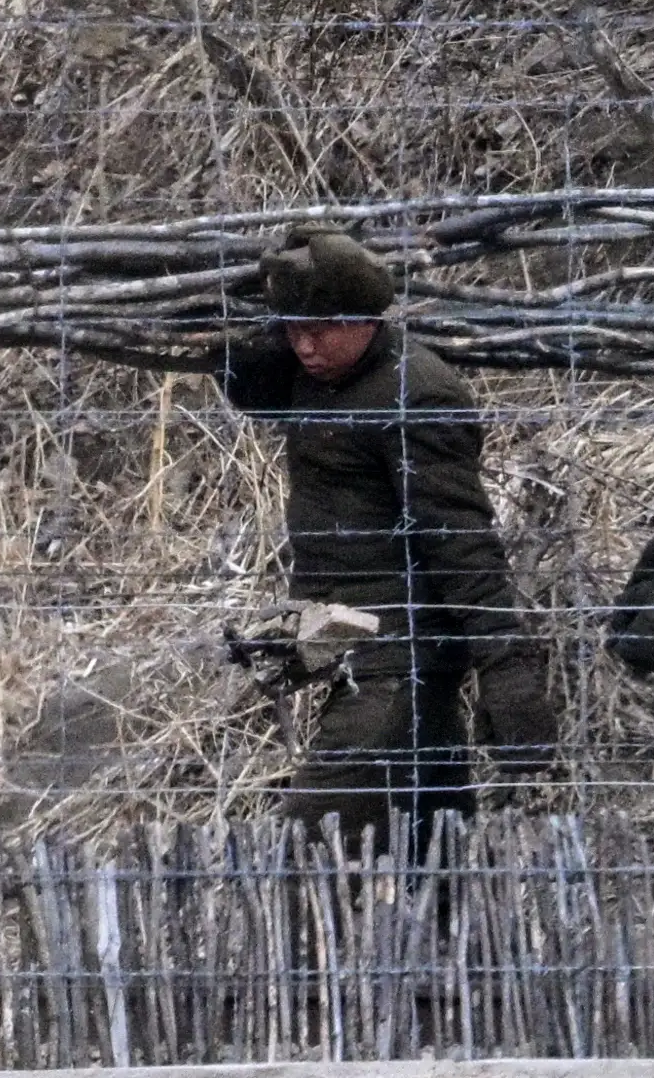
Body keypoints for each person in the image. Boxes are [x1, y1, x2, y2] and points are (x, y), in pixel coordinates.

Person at [220, 225, 558, 849]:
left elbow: (461, 542)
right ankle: (450, 941)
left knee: (313, 842)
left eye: (318, 328)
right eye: (292, 329)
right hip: (348, 640)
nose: (304, 345)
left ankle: (321, 946)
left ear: (366, 318)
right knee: (433, 842)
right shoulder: (313, 375)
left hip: (400, 656)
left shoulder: (415, 394)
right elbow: (247, 382)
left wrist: (506, 669)